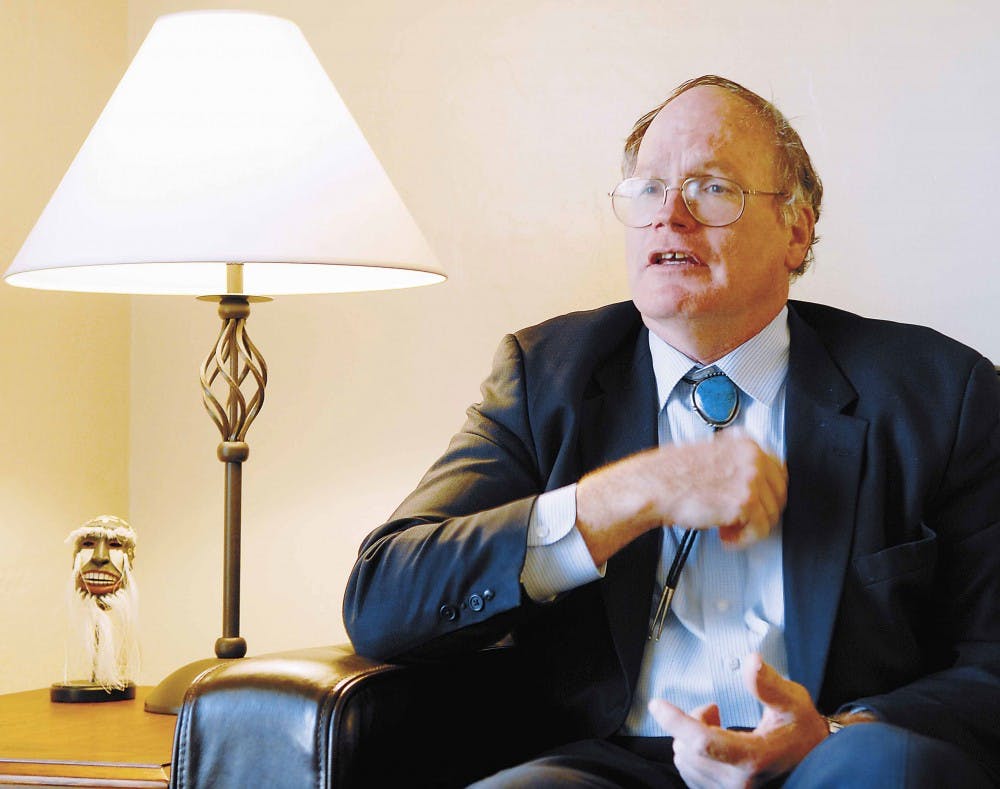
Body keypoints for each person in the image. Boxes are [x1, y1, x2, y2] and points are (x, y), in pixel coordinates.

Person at [343, 75, 1000, 787]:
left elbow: (991, 658)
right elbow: (384, 597)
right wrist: (628, 494)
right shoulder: (546, 379)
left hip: (834, 753)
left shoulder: (939, 391)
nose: (670, 216)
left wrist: (841, 729)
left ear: (797, 229)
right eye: (649, 189)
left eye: (713, 188)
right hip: (613, 764)